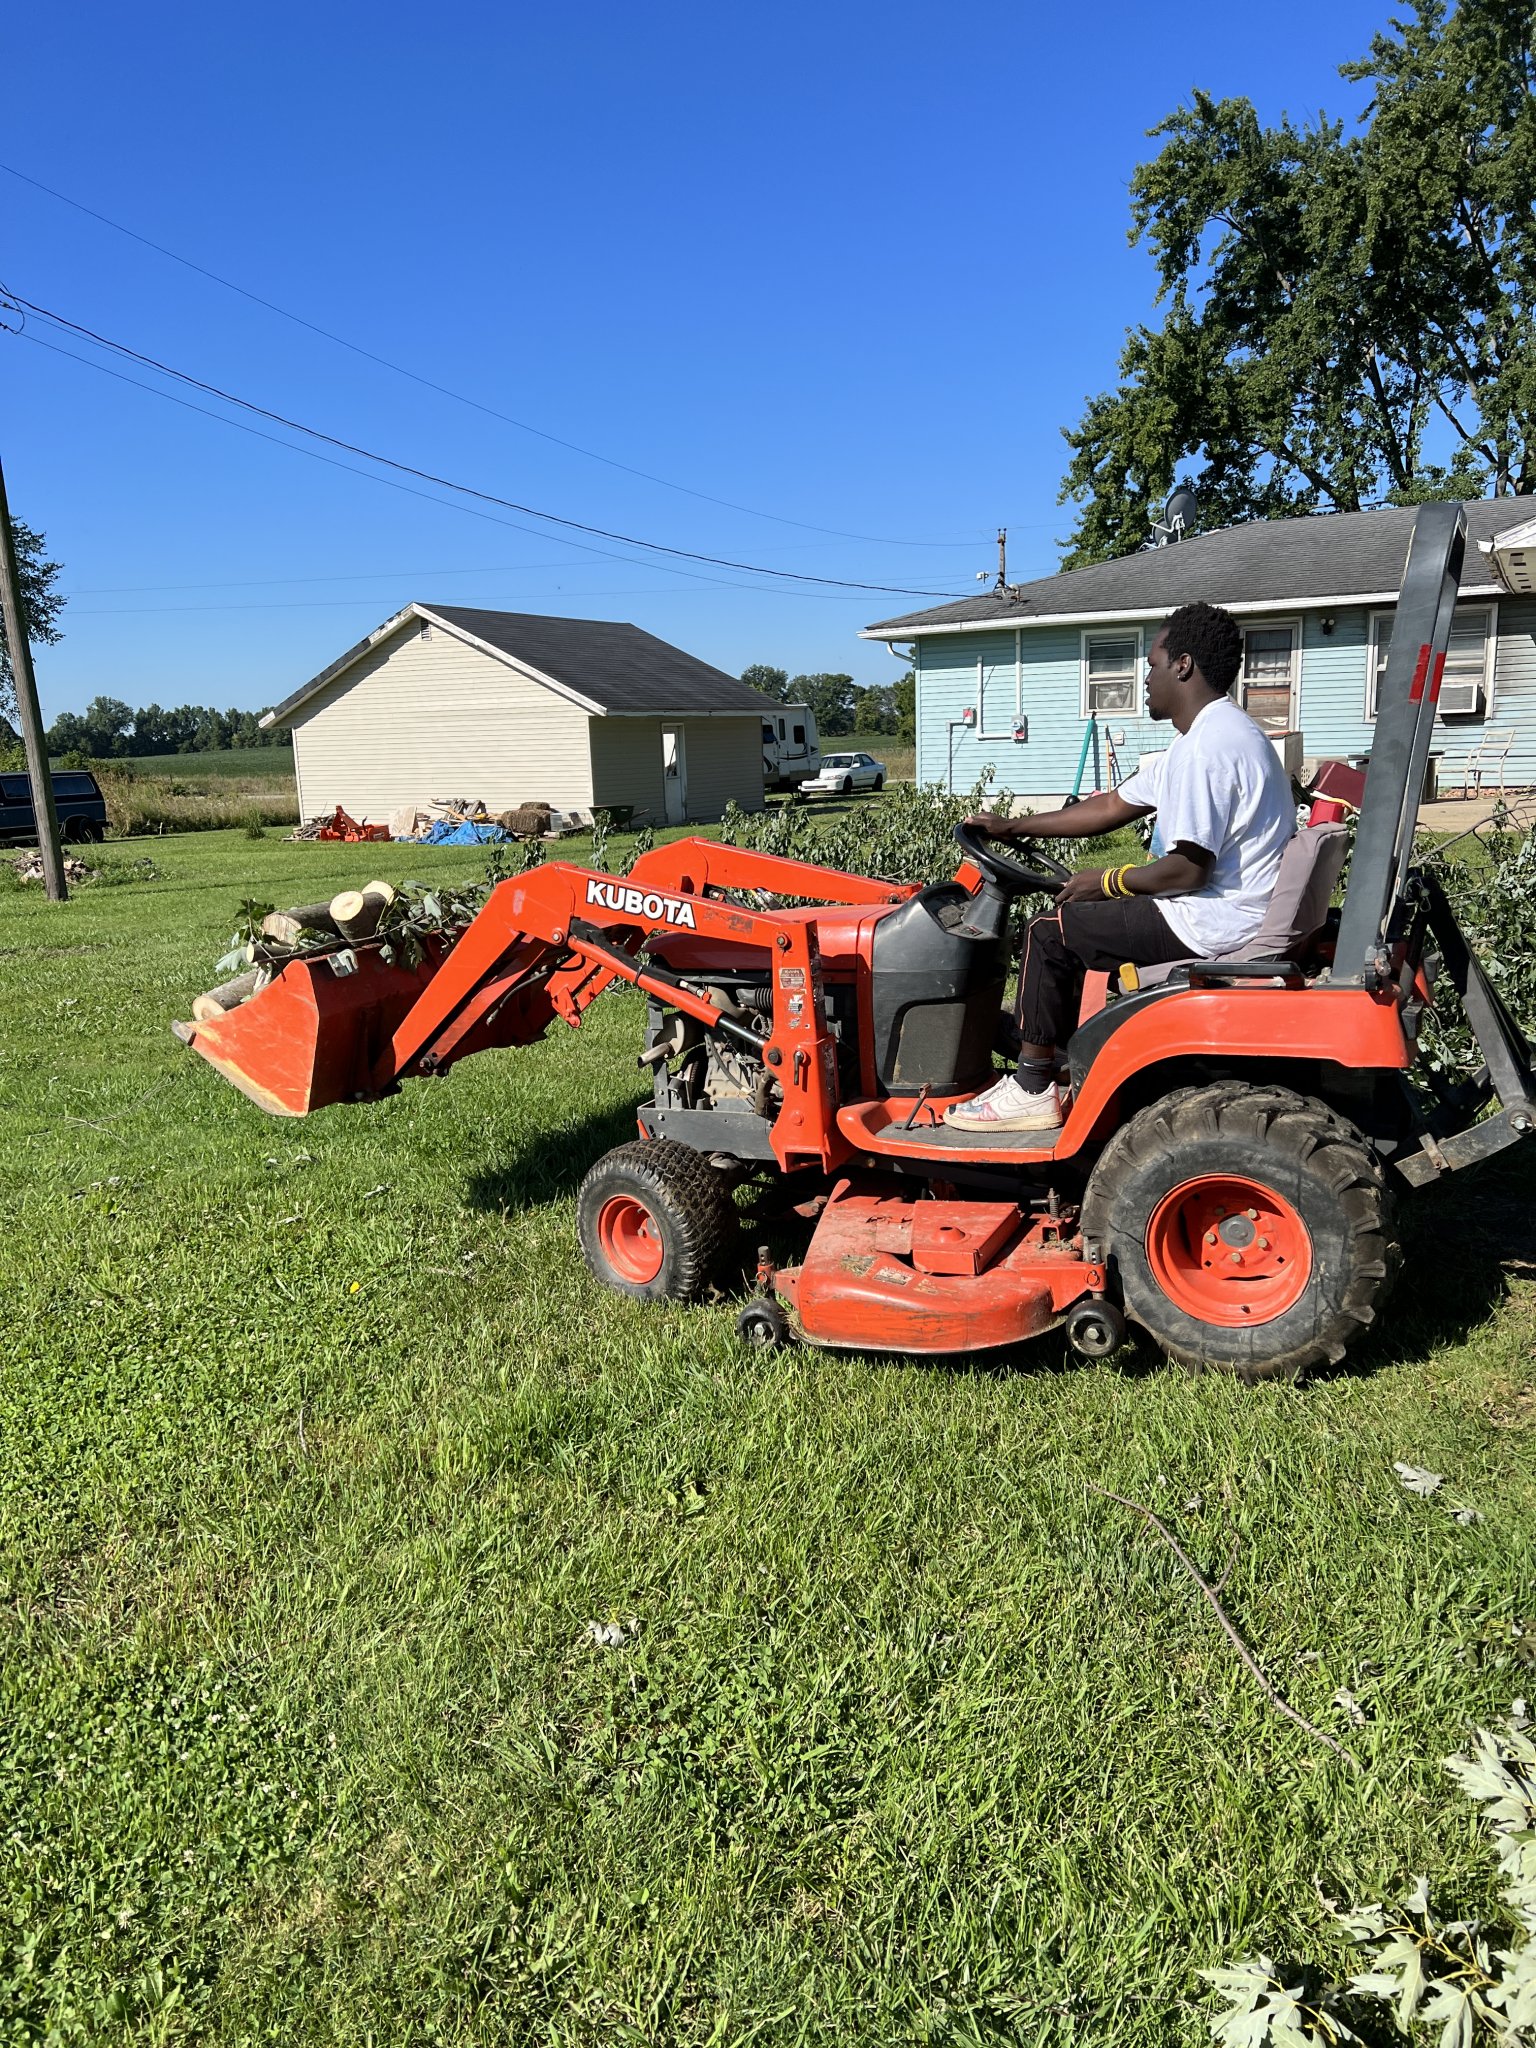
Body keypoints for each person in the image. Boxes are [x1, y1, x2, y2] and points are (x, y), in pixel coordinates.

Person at [945, 601, 1296, 1134]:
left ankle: (1034, 1087)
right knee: (1068, 928)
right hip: (1218, 908)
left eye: (1152, 663)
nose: (1146, 676)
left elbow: (1187, 871)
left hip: (1210, 918)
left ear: (1182, 665)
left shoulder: (1209, 747)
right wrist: (1011, 828)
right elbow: (1111, 805)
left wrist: (1106, 882)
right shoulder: (1207, 736)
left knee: (1050, 932)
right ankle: (1052, 1052)